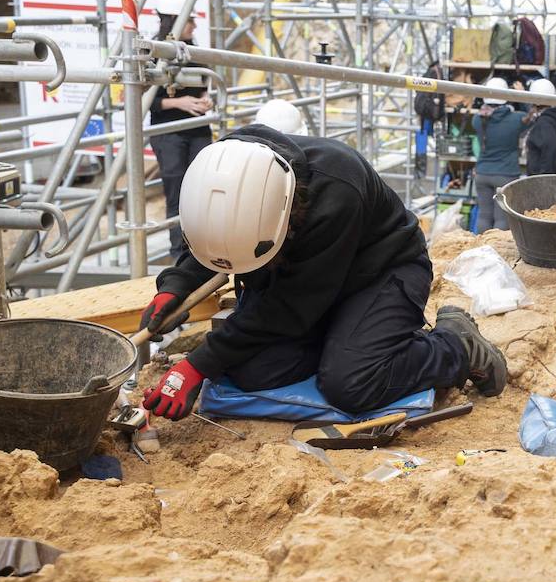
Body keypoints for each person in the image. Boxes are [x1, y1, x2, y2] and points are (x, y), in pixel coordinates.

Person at [136, 124, 507, 420]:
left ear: (284, 215)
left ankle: (455, 346)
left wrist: (197, 364)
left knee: (350, 384)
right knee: (254, 373)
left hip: (380, 272)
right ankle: (348, 339)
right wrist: (176, 286)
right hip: (308, 283)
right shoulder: (228, 166)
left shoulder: (337, 191)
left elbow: (286, 310)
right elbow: (214, 236)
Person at [149, 0, 214, 261]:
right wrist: (180, 103)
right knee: (177, 195)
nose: (195, 26)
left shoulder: (193, 51)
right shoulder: (150, 52)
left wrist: (204, 102)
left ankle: (204, 252)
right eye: (190, 21)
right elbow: (141, 101)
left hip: (197, 130)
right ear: (174, 21)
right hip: (169, 134)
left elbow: (203, 87)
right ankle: (180, 256)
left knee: (203, 192)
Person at [472, 77, 528, 232]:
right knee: (502, 219)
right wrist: (522, 95)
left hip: (482, 174)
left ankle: (483, 251)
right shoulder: (516, 119)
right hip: (506, 174)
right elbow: (532, 116)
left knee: (484, 216)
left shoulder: (477, 119)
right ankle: (497, 252)